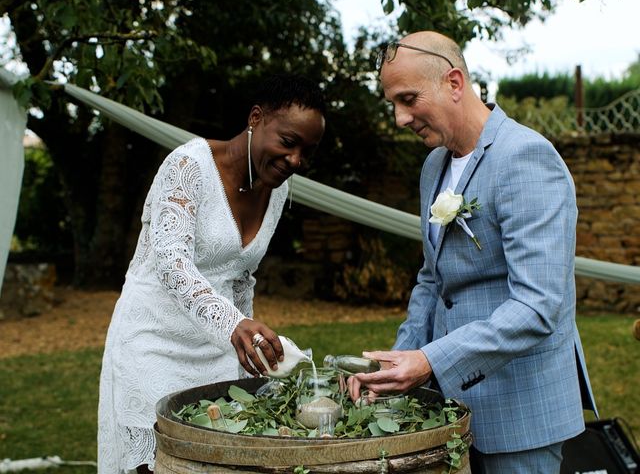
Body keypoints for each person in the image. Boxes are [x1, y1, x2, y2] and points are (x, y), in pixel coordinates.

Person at [348, 31, 597, 473]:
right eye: (392, 104)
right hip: (452, 409)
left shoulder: (526, 158)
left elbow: (538, 306)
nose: (400, 118)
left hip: (522, 411)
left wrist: (430, 361)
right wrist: (396, 362)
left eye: (408, 98)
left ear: (455, 82)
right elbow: (432, 279)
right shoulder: (434, 165)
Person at [97, 74, 326, 474]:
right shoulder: (188, 166)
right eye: (289, 143)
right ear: (256, 118)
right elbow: (172, 263)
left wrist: (249, 348)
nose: (295, 161)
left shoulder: (279, 190)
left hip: (216, 351)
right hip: (151, 342)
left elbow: (241, 275)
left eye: (307, 152)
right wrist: (235, 324)